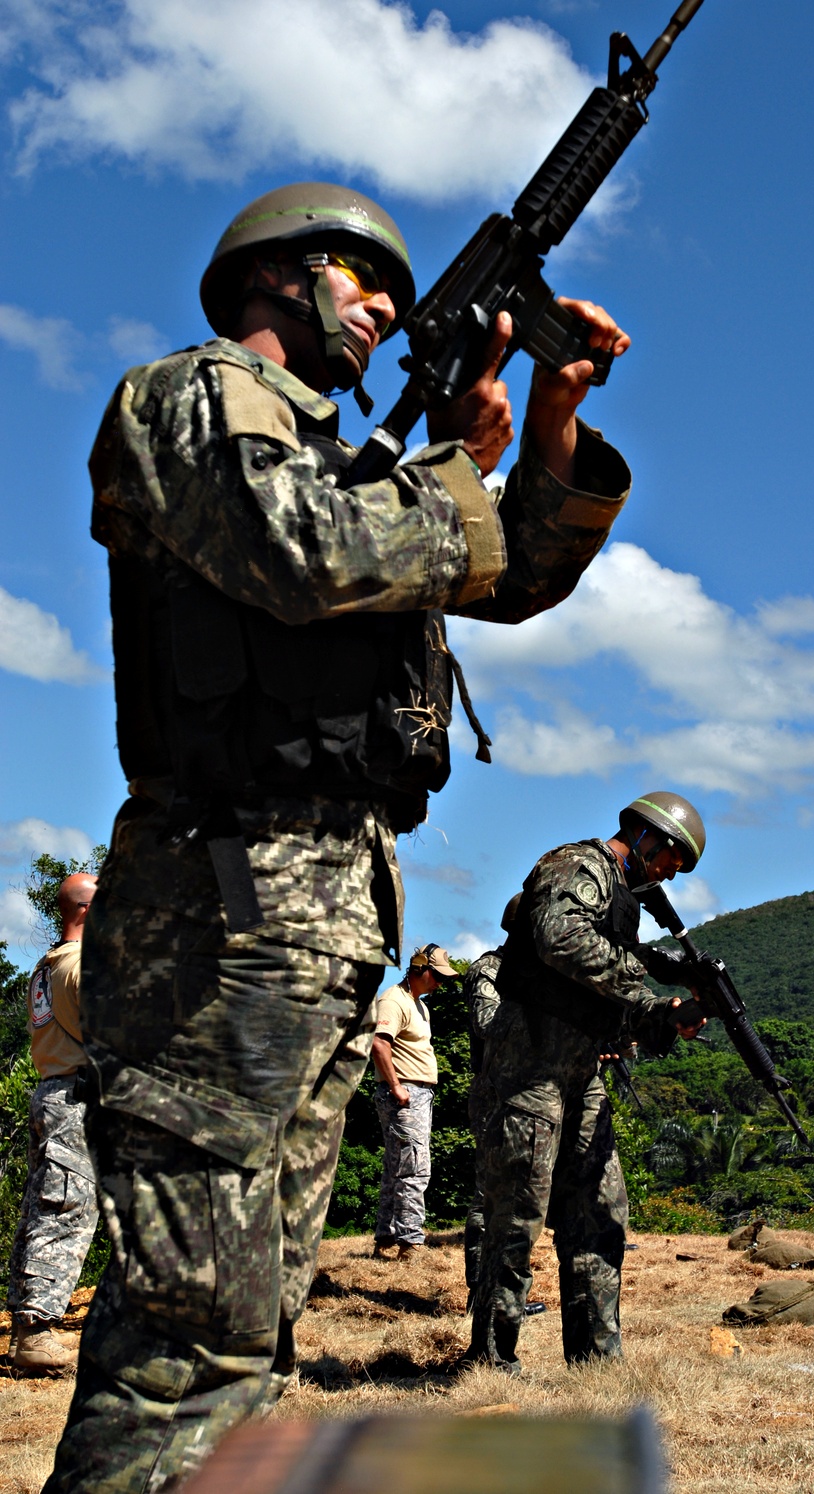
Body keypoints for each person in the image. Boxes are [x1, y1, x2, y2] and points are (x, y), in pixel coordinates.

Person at [47, 180, 632, 1491]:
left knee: (246, 1332)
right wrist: (453, 467)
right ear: (278, 276)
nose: (383, 307)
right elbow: (299, 549)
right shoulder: (188, 397)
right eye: (363, 279)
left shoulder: (352, 468)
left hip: (309, 918)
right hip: (227, 909)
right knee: (189, 1345)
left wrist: (548, 423)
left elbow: (509, 575)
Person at [468, 791, 710, 1373]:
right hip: (530, 1070)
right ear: (648, 835)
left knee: (602, 1212)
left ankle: (596, 1364)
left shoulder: (625, 906)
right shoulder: (578, 865)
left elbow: (611, 1000)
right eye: (674, 856)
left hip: (583, 1076)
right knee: (518, 1216)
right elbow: (558, 937)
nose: (673, 871)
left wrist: (664, 1016)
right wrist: (642, 983)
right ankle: (493, 1362)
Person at [7, 874, 99, 1376]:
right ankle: (36, 1333)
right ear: (86, 911)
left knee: (42, 1203)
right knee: (66, 1206)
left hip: (52, 1093)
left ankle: (26, 1320)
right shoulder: (85, 967)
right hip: (78, 1096)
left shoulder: (45, 966)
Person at [370, 943, 456, 1260]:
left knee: (397, 1167)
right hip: (404, 1093)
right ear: (419, 968)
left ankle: (387, 1238)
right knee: (414, 1168)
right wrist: (396, 1087)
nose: (440, 983)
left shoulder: (419, 1004)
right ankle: (410, 1241)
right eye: (437, 975)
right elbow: (379, 1044)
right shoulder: (394, 1000)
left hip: (417, 1094)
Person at [462, 895, 519, 1301]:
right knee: (489, 1195)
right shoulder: (489, 970)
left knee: (518, 1198)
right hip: (493, 1093)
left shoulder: (532, 977)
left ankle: (503, 1292)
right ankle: (481, 1291)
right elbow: (487, 1023)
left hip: (526, 1093)